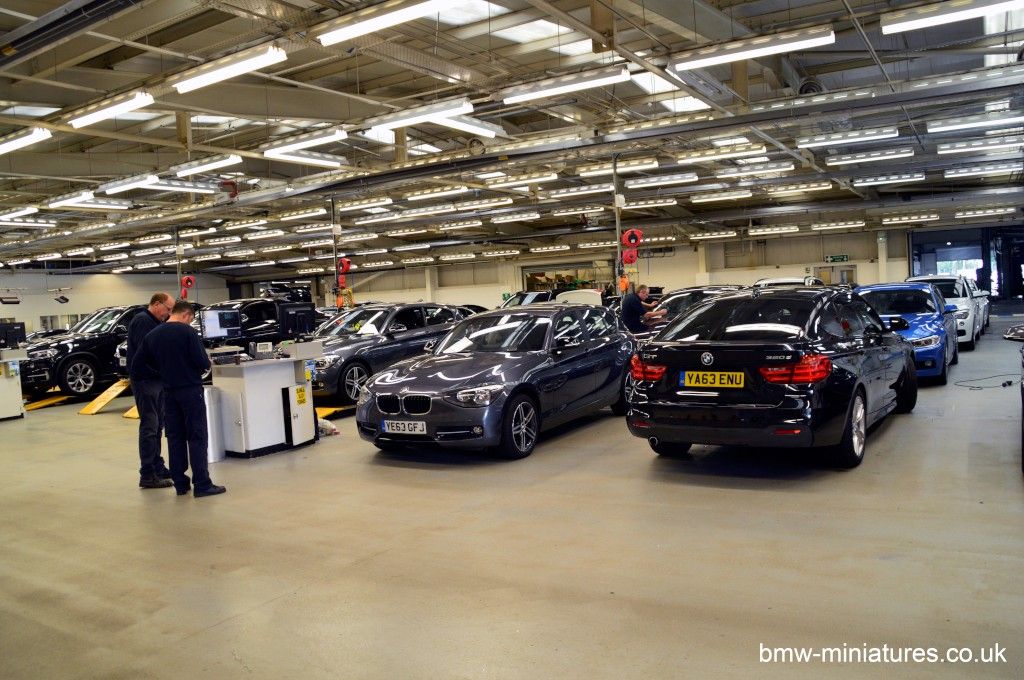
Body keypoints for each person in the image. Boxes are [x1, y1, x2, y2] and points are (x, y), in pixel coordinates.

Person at [133, 300, 225, 498]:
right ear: (186, 315)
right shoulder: (188, 332)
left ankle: (181, 484)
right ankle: (202, 484)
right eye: (190, 320)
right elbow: (202, 362)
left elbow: (139, 363)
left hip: (168, 392)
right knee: (197, 436)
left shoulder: (153, 334)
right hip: (190, 390)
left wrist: (162, 371)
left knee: (174, 437)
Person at [128, 292, 174, 489]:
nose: (169, 313)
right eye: (168, 309)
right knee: (149, 426)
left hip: (156, 381)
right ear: (156, 304)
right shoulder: (142, 321)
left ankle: (157, 465)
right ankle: (147, 474)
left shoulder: (154, 322)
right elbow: (147, 353)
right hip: (145, 381)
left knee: (157, 427)